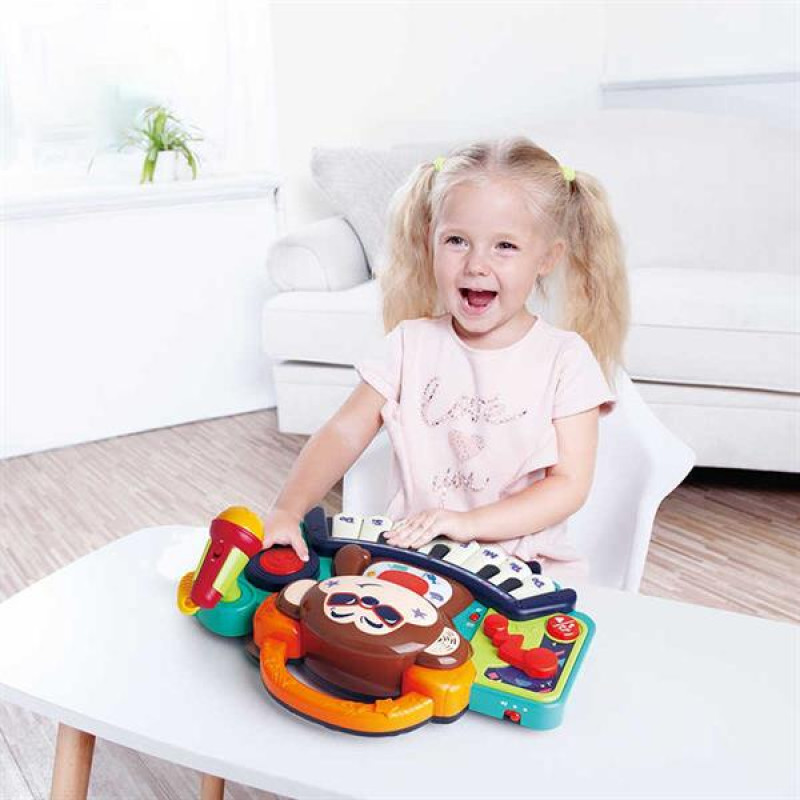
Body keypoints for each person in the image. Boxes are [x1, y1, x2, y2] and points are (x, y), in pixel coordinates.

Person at [263, 137, 629, 580]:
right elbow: (343, 432)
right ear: (430, 243)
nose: (476, 264)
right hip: (413, 560)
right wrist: (288, 509)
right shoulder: (409, 345)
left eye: (505, 246)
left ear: (547, 258)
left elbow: (569, 485)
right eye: (457, 241)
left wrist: (467, 524)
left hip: (521, 572)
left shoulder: (565, 359)